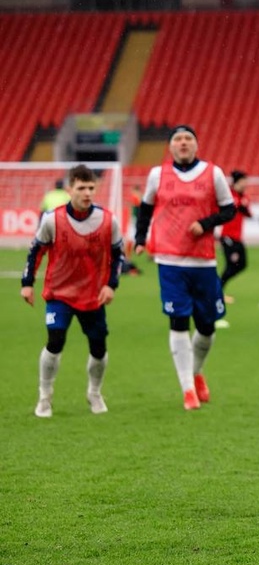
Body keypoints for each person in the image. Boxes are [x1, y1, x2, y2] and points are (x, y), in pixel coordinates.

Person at [134, 124, 236, 411]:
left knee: (207, 326)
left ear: (196, 145)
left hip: (203, 260)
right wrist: (140, 239)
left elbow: (229, 210)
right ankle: (187, 389)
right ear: (170, 146)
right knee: (178, 321)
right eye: (177, 139)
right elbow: (145, 208)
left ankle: (195, 371)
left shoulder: (212, 173)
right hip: (169, 260)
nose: (183, 143)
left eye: (188, 138)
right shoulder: (157, 174)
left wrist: (204, 224)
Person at [21, 165, 123, 417]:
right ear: (70, 189)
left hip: (93, 295)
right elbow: (36, 251)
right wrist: (27, 283)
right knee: (55, 342)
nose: (87, 193)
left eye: (91, 188)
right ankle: (44, 398)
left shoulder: (108, 220)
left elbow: (118, 255)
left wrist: (111, 285)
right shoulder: (52, 219)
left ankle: (94, 393)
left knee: (98, 348)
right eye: (81, 188)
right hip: (60, 293)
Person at [219, 169, 252, 304]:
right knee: (230, 265)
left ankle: (217, 289)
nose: (246, 184)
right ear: (237, 182)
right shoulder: (228, 195)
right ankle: (217, 292)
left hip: (237, 237)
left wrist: (243, 205)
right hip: (227, 236)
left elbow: (248, 213)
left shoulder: (243, 197)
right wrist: (239, 202)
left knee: (242, 264)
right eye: (244, 181)